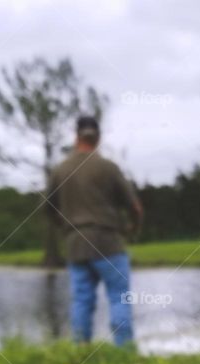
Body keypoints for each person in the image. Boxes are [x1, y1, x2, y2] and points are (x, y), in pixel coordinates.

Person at [46, 116, 143, 347]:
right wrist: (132, 230)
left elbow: (47, 208)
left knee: (81, 300)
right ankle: (123, 351)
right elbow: (136, 208)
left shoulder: (60, 170)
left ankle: (80, 351)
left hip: (75, 244)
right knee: (119, 297)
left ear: (76, 136)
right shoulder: (109, 168)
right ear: (97, 138)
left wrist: (66, 228)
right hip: (109, 241)